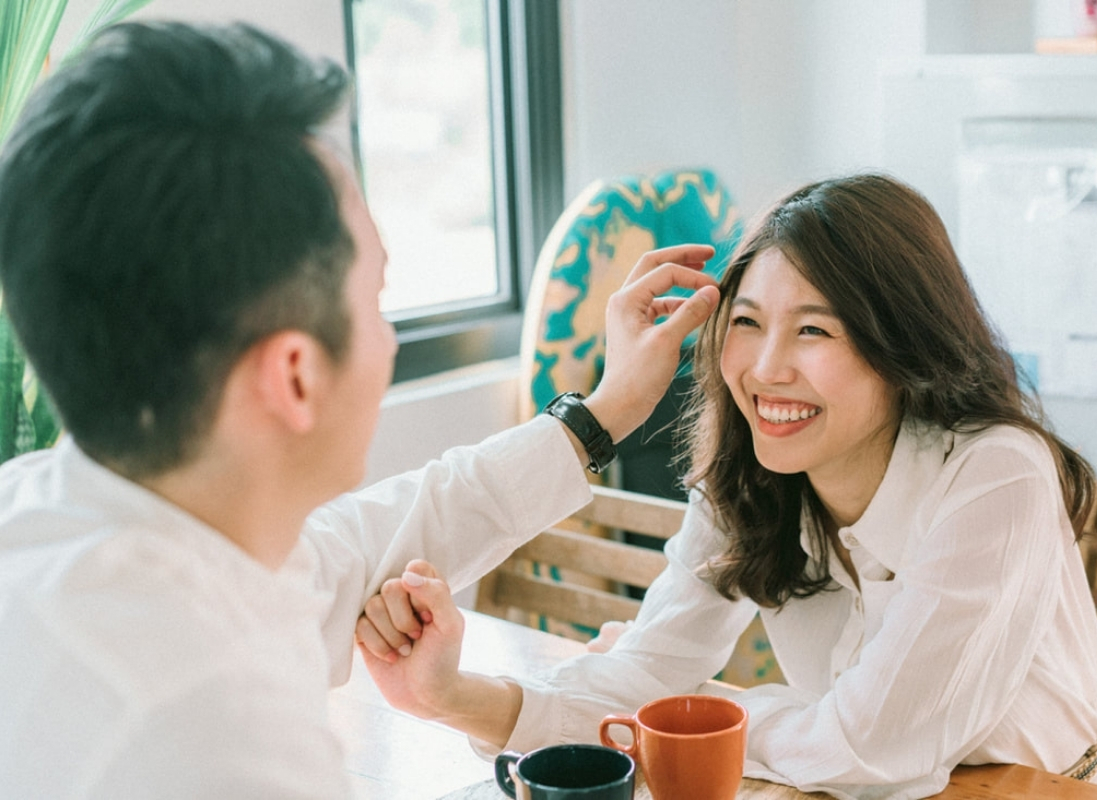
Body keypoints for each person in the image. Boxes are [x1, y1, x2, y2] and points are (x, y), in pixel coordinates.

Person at [0, 20, 719, 799]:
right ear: (296, 375)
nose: (388, 341)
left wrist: (603, 412)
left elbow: (381, 531)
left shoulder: (58, 513)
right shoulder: (210, 730)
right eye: (378, 302)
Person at [356, 173, 1097, 800]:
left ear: (901, 346)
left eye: (814, 329)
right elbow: (643, 677)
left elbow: (873, 747)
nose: (766, 368)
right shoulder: (750, 474)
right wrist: (452, 695)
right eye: (746, 322)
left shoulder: (995, 473)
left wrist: (706, 706)